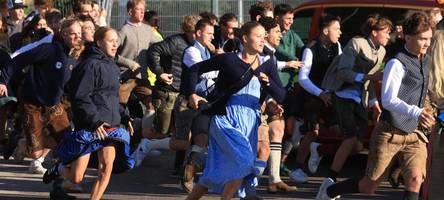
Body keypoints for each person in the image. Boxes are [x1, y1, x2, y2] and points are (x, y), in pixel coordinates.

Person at [316, 11, 435, 200]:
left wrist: (429, 109)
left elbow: (424, 92)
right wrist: (416, 111)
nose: (427, 43)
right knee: (368, 186)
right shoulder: (396, 63)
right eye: (423, 39)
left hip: (415, 133)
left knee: (415, 178)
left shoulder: (426, 61)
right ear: (408, 36)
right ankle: (330, 191)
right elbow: (388, 99)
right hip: (389, 132)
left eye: (429, 38)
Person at [185, 21, 286, 200]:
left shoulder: (268, 64)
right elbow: (195, 69)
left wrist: (268, 84)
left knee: (215, 172)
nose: (263, 40)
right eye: (258, 36)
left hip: (250, 122)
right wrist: (192, 94)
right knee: (244, 161)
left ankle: (198, 167)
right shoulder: (228, 59)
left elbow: (282, 94)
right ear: (245, 38)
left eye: (264, 36)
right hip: (226, 119)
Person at [42, 26, 134, 200]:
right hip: (90, 126)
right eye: (110, 41)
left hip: (110, 126)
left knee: (106, 167)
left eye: (117, 41)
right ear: (99, 43)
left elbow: (111, 98)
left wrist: (124, 115)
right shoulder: (89, 64)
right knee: (77, 177)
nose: (115, 44)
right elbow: (80, 97)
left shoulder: (113, 66)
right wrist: (94, 121)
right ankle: (59, 168)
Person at [0, 18, 83, 199]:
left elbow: (69, 85)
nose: (77, 37)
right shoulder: (49, 49)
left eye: (79, 33)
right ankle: (20, 142)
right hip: (32, 104)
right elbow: (18, 60)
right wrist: (3, 80)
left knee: (66, 143)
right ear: (63, 34)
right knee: (36, 153)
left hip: (54, 105)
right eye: (73, 33)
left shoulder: (74, 57)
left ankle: (58, 188)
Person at [319, 14, 390, 184]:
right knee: (350, 139)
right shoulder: (356, 43)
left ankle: (320, 149)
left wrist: (374, 103)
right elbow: (343, 72)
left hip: (361, 99)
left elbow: (371, 80)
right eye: (386, 32)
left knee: (357, 146)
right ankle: (329, 180)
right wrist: (366, 77)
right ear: (374, 32)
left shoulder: (382, 51)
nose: (389, 36)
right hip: (343, 95)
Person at [135, 15, 199, 167]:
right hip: (168, 91)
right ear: (187, 31)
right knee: (161, 131)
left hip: (182, 92)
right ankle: (137, 132)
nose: (196, 36)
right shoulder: (175, 42)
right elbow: (153, 51)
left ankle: (179, 166)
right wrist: (160, 72)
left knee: (180, 133)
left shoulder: (198, 46)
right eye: (193, 32)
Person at [290, 14, 342, 183]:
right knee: (312, 132)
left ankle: (319, 150)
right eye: (336, 29)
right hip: (313, 96)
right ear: (326, 30)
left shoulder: (337, 46)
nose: (340, 32)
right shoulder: (310, 49)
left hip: (331, 96)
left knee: (339, 133)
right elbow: (303, 78)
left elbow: (339, 72)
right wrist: (320, 93)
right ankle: (297, 168)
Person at [258, 16, 298, 194]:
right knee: (261, 149)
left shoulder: (270, 53)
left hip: (269, 102)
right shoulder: (260, 54)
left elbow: (269, 76)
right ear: (265, 34)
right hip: (254, 105)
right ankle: (243, 186)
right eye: (277, 32)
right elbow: (258, 80)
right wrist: (270, 100)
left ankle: (274, 179)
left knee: (278, 130)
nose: (280, 35)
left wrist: (273, 100)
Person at [116, 0, 162, 116]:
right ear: (130, 11)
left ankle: (144, 131)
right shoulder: (123, 30)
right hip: (125, 78)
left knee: (152, 105)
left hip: (142, 78)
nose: (142, 12)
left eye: (143, 10)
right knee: (119, 108)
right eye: (139, 9)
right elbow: (113, 55)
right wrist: (129, 63)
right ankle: (119, 131)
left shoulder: (148, 30)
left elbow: (162, 44)